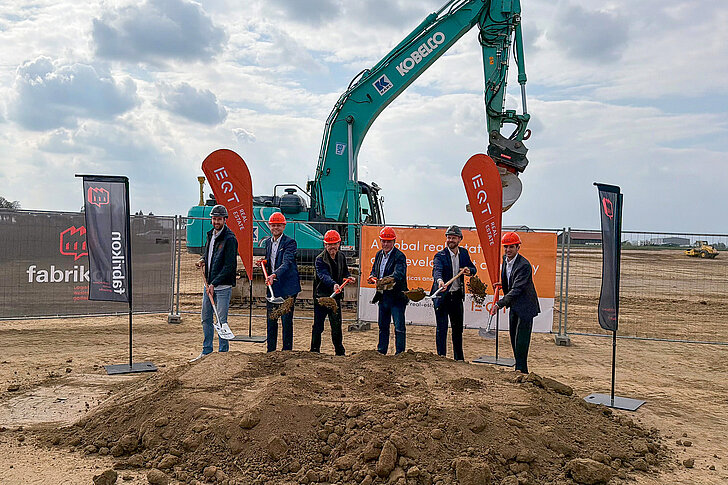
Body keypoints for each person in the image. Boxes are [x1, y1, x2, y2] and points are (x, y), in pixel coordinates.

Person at [191, 204, 238, 362]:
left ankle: (223, 354)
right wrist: (203, 260)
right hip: (209, 285)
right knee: (206, 318)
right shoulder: (210, 235)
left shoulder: (230, 239)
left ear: (225, 219)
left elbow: (229, 266)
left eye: (219, 219)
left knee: (221, 321)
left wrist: (214, 283)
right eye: (214, 219)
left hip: (222, 287)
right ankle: (207, 351)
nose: (216, 221)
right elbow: (210, 254)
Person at [489, 232, 540, 373]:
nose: (508, 250)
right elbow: (511, 279)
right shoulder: (505, 259)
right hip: (514, 306)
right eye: (506, 247)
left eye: (511, 247)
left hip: (526, 307)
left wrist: (499, 304)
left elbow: (517, 288)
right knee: (513, 338)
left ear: (518, 247)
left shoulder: (524, 265)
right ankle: (519, 369)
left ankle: (522, 371)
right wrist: (503, 284)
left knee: (521, 341)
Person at [431, 225, 477, 361]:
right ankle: (441, 358)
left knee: (457, 329)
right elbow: (437, 271)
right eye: (449, 237)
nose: (450, 240)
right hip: (442, 297)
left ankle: (459, 359)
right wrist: (440, 281)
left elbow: (473, 268)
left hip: (456, 296)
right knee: (442, 329)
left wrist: (469, 271)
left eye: (453, 238)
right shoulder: (440, 256)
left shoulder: (464, 253)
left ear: (460, 239)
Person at [311, 230, 355, 356]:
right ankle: (314, 351)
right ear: (325, 245)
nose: (332, 247)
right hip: (322, 298)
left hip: (335, 298)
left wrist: (348, 277)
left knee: (336, 325)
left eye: (334, 244)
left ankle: (339, 352)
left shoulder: (341, 257)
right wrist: (333, 284)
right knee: (318, 326)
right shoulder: (319, 260)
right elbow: (323, 275)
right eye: (329, 244)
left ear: (339, 244)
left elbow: (345, 271)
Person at [367, 226, 408, 354]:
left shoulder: (399, 256)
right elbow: (375, 270)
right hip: (383, 296)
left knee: (399, 327)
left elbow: (399, 274)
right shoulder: (379, 254)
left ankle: (400, 353)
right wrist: (373, 276)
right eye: (383, 241)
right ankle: (381, 351)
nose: (385, 244)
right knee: (383, 326)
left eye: (388, 241)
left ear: (394, 242)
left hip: (397, 298)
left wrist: (386, 280)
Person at [264, 212, 301, 352]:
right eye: (273, 225)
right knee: (271, 320)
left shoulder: (290, 243)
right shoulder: (268, 242)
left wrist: (274, 275)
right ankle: (270, 351)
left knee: (286, 320)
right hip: (273, 287)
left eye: (278, 225)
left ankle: (286, 352)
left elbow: (287, 263)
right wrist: (264, 262)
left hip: (288, 287)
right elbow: (271, 260)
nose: (275, 228)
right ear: (270, 226)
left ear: (284, 226)